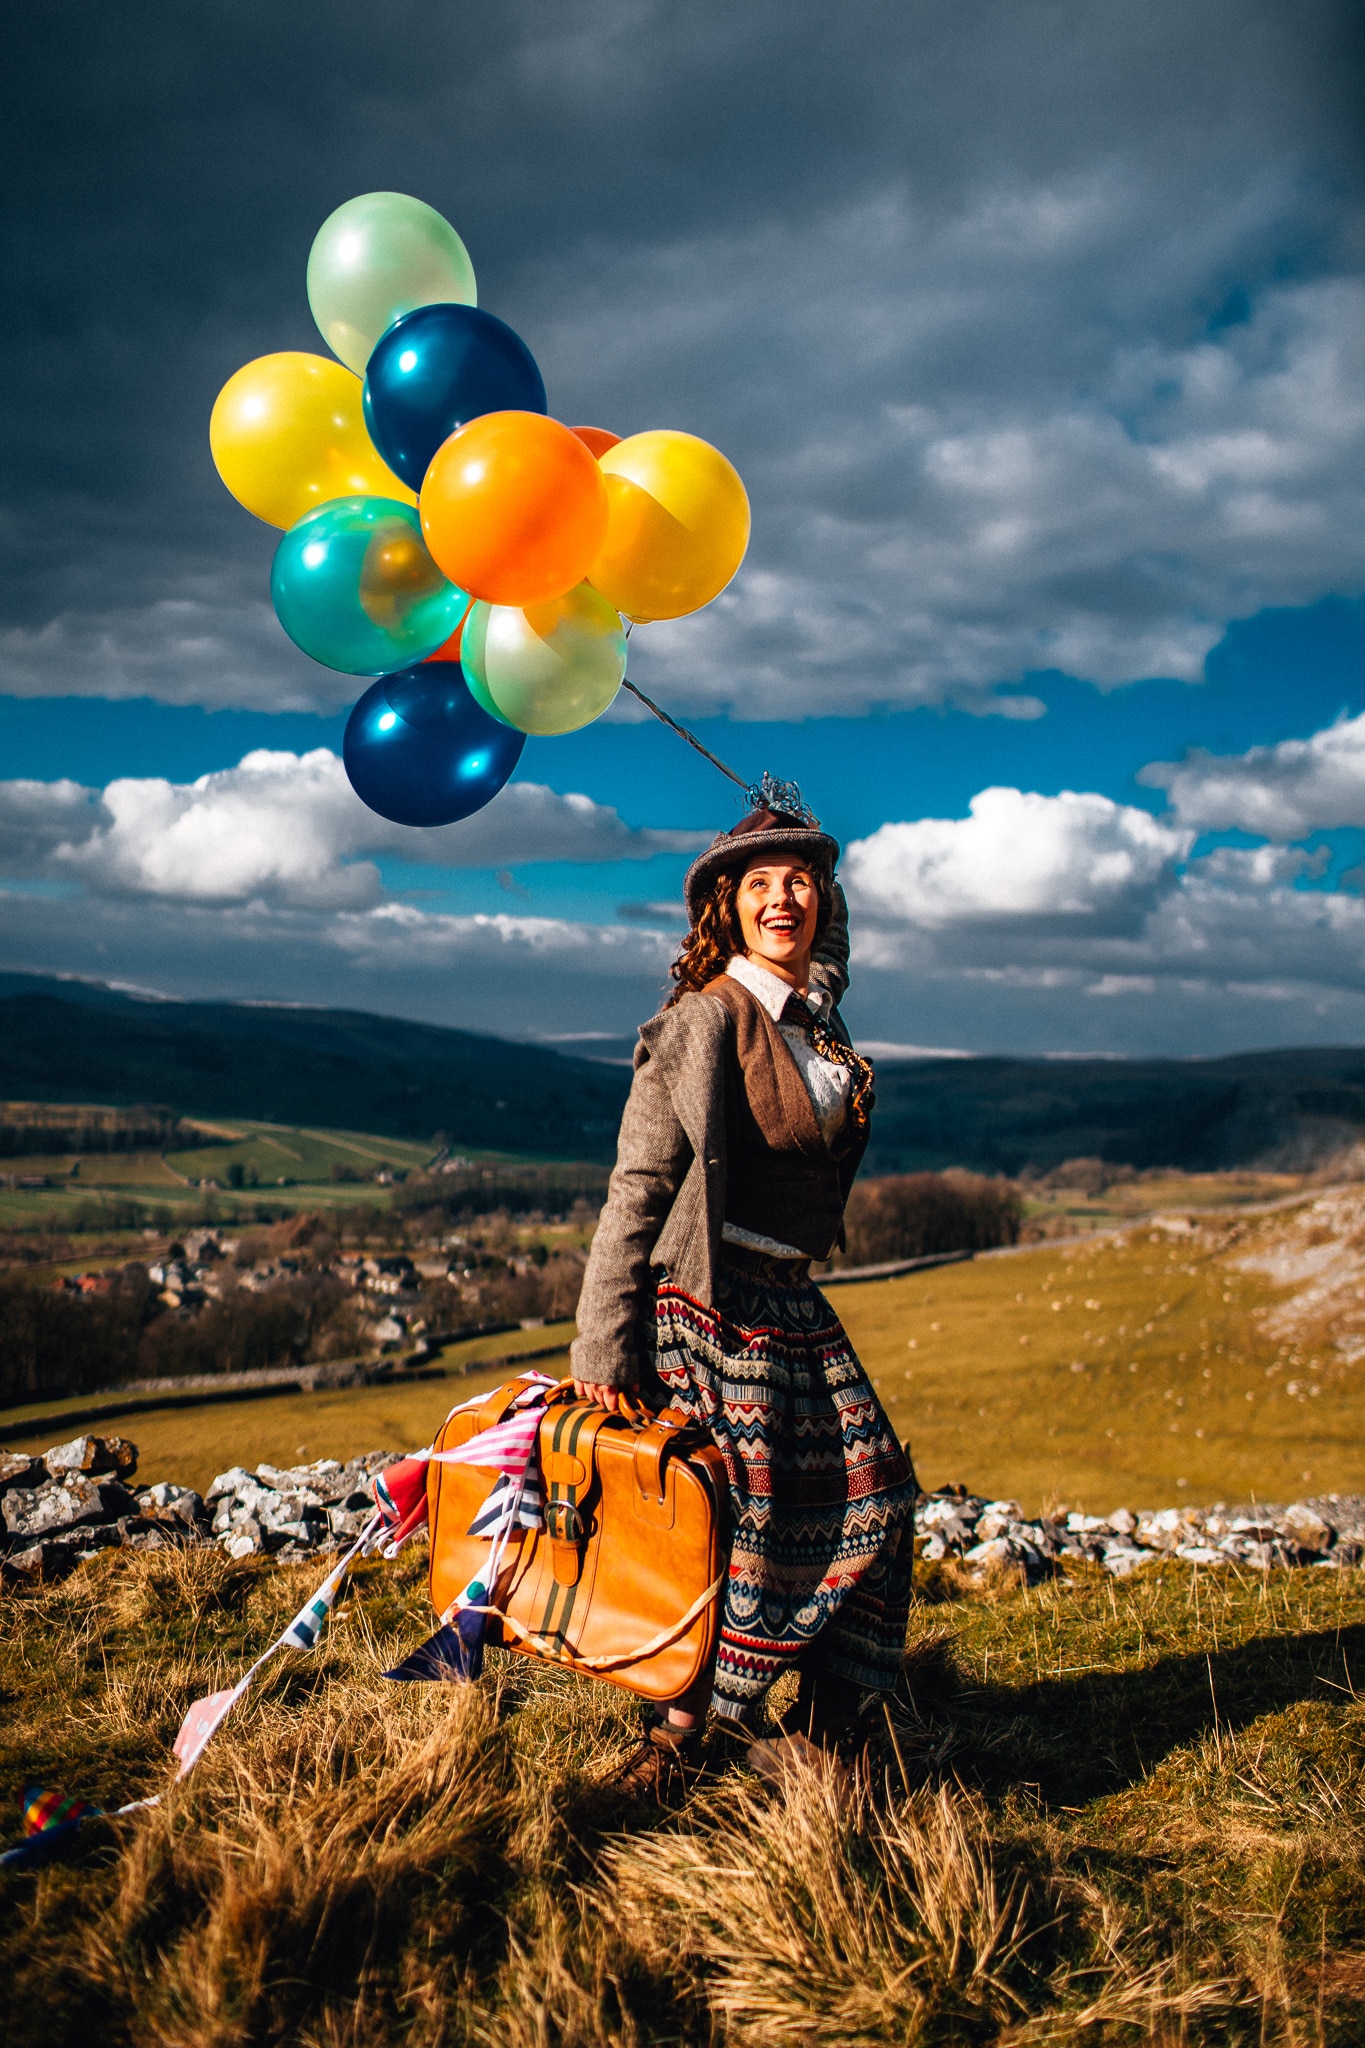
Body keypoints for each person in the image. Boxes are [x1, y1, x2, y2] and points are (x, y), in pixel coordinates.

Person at [570, 795, 916, 1795]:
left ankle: (830, 1728)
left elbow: (828, 942)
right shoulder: (703, 1023)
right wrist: (602, 1346)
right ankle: (681, 1737)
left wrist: (798, 833)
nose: (783, 899)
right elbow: (636, 1189)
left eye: (800, 883)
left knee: (877, 1492)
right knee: (739, 1520)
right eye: (759, 883)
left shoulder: (815, 1010)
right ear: (725, 908)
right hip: (709, 1306)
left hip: (791, 1300)